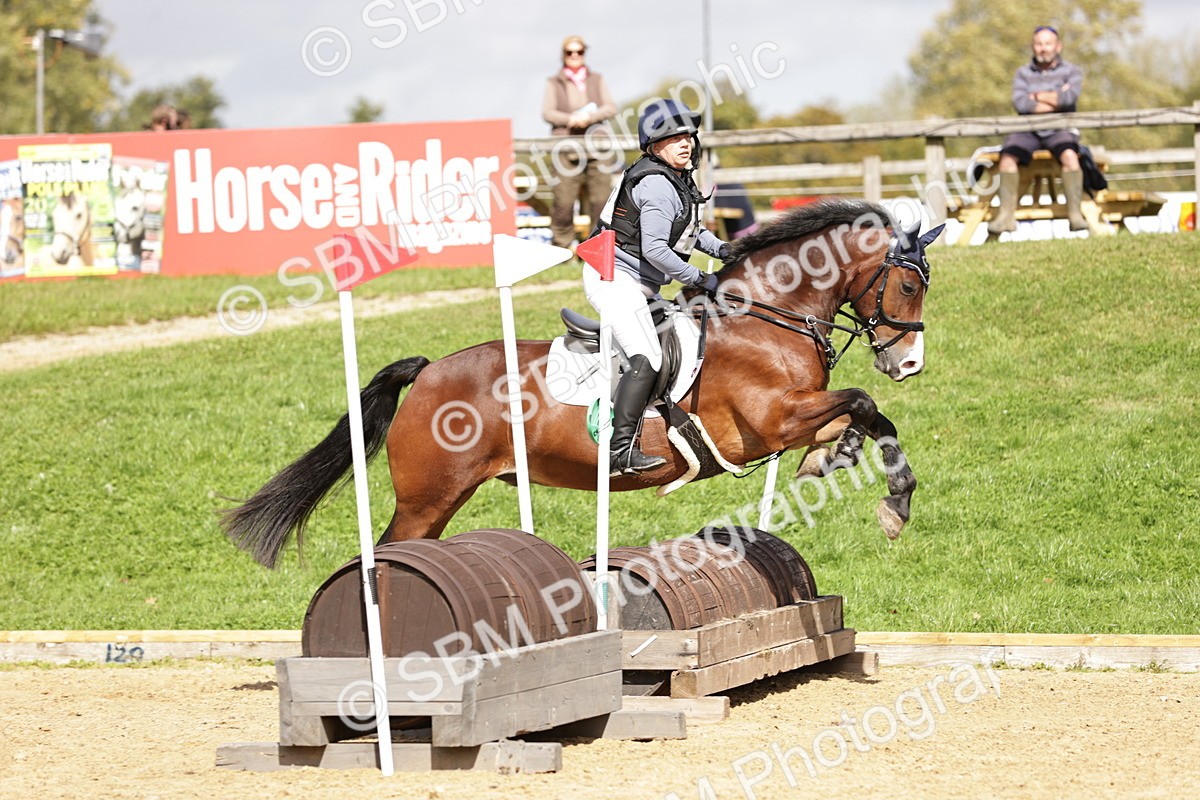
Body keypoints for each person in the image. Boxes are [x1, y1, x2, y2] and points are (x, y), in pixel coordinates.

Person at [589, 98, 731, 477]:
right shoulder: (655, 184)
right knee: (647, 355)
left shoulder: (676, 179)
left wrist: (727, 250)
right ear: (654, 146)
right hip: (614, 279)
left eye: (688, 136)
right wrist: (699, 278)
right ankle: (619, 452)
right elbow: (655, 250)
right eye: (674, 138)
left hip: (640, 283)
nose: (685, 143)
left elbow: (690, 233)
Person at [989, 25, 1086, 234]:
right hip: (1027, 130)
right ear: (1033, 47)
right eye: (1039, 44)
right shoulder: (1022, 73)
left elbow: (1069, 98)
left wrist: (1036, 96)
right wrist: (1055, 97)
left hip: (1060, 129)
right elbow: (1021, 104)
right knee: (1006, 158)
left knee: (1070, 156)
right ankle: (1006, 216)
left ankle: (1075, 214)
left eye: (1048, 43)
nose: (1043, 48)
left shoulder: (1071, 71)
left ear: (1058, 46)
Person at [541, 35, 618, 248]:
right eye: (570, 52)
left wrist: (589, 118)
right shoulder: (553, 82)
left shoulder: (597, 79)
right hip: (565, 148)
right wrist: (570, 119)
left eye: (579, 51)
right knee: (563, 203)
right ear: (563, 54)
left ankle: (597, 248)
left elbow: (610, 106)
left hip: (597, 148)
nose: (574, 55)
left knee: (601, 202)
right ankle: (562, 248)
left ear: (584, 53)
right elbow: (547, 112)